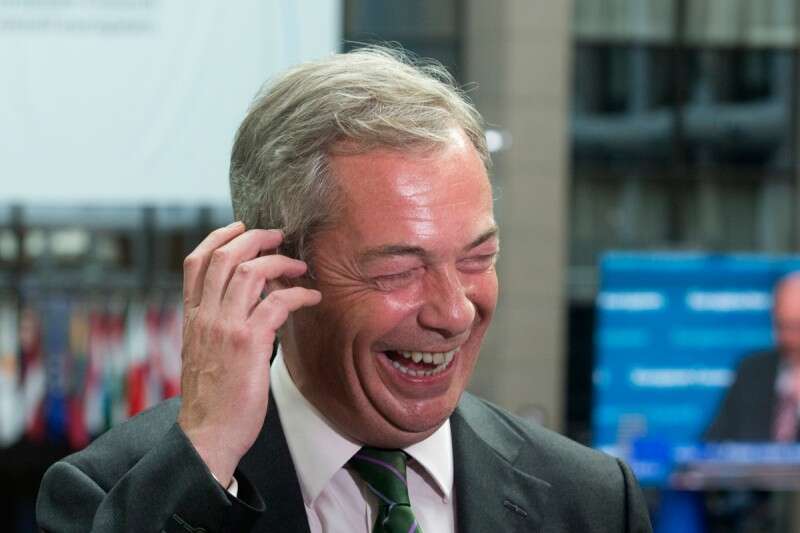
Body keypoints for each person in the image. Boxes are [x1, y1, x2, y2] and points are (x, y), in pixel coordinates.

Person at [36, 46, 652, 532]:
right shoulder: (110, 497)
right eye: (398, 270)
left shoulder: (594, 502)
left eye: (477, 258)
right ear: (273, 269)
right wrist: (207, 454)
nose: (454, 312)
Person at [706, 272, 800, 442]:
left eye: (796, 327)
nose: (788, 338)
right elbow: (713, 445)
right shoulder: (752, 370)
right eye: (781, 326)